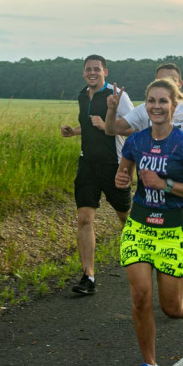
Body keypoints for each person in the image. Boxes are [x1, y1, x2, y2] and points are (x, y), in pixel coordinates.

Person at [115, 78, 183, 366]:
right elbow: (125, 171)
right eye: (151, 101)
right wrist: (122, 178)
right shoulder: (136, 141)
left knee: (171, 307)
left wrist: (165, 184)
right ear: (145, 105)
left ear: (173, 106)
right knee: (141, 297)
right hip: (139, 228)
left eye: (163, 101)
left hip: (171, 232)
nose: (156, 106)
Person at [59, 55, 133, 295]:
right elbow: (89, 124)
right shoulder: (83, 94)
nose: (92, 73)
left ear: (105, 72)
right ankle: (88, 276)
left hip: (114, 165)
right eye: (88, 69)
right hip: (87, 164)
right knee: (84, 218)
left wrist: (107, 125)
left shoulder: (117, 94)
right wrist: (75, 131)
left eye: (96, 69)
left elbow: (134, 126)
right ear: (83, 73)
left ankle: (140, 259)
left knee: (126, 218)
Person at [103, 62, 183, 143]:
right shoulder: (144, 109)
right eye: (162, 80)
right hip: (149, 177)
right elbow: (111, 130)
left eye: (172, 80)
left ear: (180, 84)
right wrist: (112, 110)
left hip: (182, 179)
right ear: (155, 82)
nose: (167, 84)